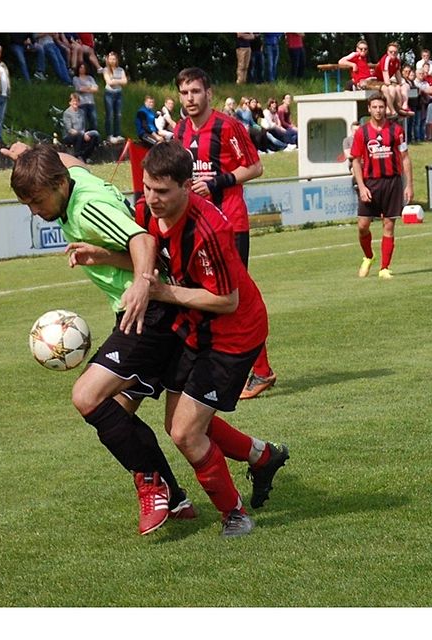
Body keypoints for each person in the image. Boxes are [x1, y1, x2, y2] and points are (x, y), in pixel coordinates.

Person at [6, 142, 197, 536]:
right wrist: (26, 154)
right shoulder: (70, 178)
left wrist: (143, 287)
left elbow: (144, 242)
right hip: (137, 310)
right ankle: (178, 497)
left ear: (59, 185)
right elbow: (73, 161)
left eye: (37, 201)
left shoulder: (88, 206)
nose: (35, 211)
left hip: (149, 312)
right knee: (115, 414)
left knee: (87, 396)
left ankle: (151, 483)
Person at [136, 140, 290, 536]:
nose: (152, 199)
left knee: (186, 433)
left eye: (163, 192)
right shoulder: (149, 209)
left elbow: (226, 299)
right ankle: (261, 455)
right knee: (179, 425)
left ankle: (234, 514)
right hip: (194, 325)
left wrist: (161, 292)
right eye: (148, 188)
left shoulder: (209, 228)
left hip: (233, 334)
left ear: (188, 186)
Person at [171, 67, 278, 401]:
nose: (190, 98)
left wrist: (218, 181)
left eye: (195, 92)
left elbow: (255, 166)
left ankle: (259, 371)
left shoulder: (228, 125)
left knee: (233, 299)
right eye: (184, 93)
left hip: (230, 224)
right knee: (203, 296)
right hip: (198, 226)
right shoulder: (179, 130)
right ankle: (214, 366)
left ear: (209, 93)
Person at [350, 94, 414, 280]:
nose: (378, 110)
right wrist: (361, 187)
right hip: (370, 183)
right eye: (374, 107)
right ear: (369, 109)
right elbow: (356, 161)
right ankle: (369, 256)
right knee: (363, 225)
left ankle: (384, 268)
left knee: (389, 224)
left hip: (392, 182)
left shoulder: (396, 130)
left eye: (381, 107)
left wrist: (408, 185)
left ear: (385, 108)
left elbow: (405, 157)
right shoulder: (362, 133)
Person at [62, 92, 100, 161]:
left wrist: (85, 134)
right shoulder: (67, 113)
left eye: (77, 101)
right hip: (69, 136)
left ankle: (86, 155)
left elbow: (83, 127)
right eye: (73, 101)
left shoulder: (82, 112)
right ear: (70, 102)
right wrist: (82, 134)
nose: (75, 103)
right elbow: (69, 129)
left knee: (95, 134)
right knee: (79, 135)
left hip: (82, 133)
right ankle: (78, 156)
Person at [102, 51, 127, 144]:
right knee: (109, 114)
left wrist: (114, 80)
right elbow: (109, 82)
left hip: (118, 93)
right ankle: (109, 135)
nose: (112, 60)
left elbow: (125, 81)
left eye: (114, 59)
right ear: (108, 60)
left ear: (116, 60)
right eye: (110, 59)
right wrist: (119, 80)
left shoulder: (120, 70)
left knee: (118, 114)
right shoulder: (105, 70)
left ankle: (117, 134)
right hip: (109, 93)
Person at [377, 42, 404, 118]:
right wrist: (390, 85)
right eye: (391, 52)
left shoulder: (397, 60)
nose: (393, 53)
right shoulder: (386, 59)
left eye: (395, 52)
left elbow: (397, 73)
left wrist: (400, 84)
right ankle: (389, 109)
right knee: (391, 89)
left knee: (399, 88)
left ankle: (399, 109)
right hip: (377, 80)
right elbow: (385, 76)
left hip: (384, 80)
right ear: (387, 52)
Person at [72, 61, 100, 132]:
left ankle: (93, 137)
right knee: (82, 123)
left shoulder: (90, 78)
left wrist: (86, 88)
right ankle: (82, 138)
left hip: (91, 102)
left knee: (94, 122)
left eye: (84, 68)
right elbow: (79, 89)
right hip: (81, 103)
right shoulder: (76, 78)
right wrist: (90, 87)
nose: (82, 69)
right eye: (81, 67)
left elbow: (96, 89)